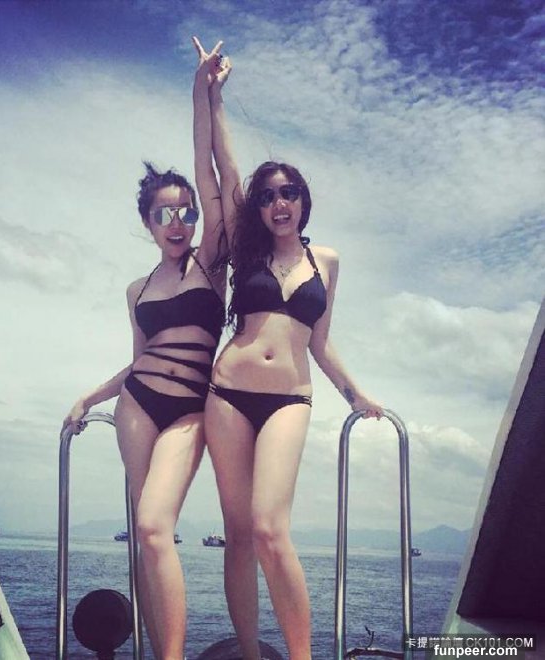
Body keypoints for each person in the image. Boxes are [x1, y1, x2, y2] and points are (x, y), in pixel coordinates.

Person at [192, 36, 383, 660]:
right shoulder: (244, 248)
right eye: (269, 195)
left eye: (289, 193)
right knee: (238, 535)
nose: (279, 203)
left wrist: (355, 394)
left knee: (271, 530)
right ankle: (251, 652)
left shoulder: (326, 260)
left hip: (288, 401)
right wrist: (211, 94)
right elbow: (222, 166)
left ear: (303, 201)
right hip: (226, 395)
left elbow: (319, 343)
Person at [63, 42, 227, 660]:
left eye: (186, 212)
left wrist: (203, 92)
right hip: (136, 404)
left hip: (189, 409)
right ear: (149, 222)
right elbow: (139, 359)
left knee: (157, 526)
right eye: (165, 214)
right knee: (142, 536)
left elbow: (208, 172)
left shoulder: (210, 264)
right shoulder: (137, 289)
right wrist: (89, 396)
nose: (178, 221)